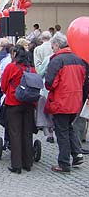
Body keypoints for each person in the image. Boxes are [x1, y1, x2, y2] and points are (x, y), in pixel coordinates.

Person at [44, 32, 86, 173]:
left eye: (52, 45)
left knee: (62, 131)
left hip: (61, 101)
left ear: (57, 44)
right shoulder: (79, 59)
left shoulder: (57, 60)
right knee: (69, 128)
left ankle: (64, 163)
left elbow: (50, 83)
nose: (52, 48)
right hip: (76, 100)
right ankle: (77, 154)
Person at [1, 44, 37, 174]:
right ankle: (28, 163)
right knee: (27, 133)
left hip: (14, 102)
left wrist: (9, 92)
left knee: (15, 133)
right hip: (29, 103)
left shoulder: (11, 67)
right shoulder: (31, 69)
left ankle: (17, 164)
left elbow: (3, 84)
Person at [33, 31, 55, 143]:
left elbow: (38, 71)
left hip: (44, 84)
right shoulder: (55, 50)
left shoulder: (38, 50)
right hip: (57, 86)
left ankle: (48, 133)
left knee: (43, 109)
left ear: (41, 38)